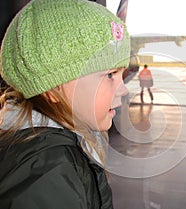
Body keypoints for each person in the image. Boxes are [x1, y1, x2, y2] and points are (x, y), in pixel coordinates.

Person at [0, 0, 130, 208]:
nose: (124, 89)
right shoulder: (46, 170)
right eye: (110, 75)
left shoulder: (55, 151)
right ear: (53, 87)